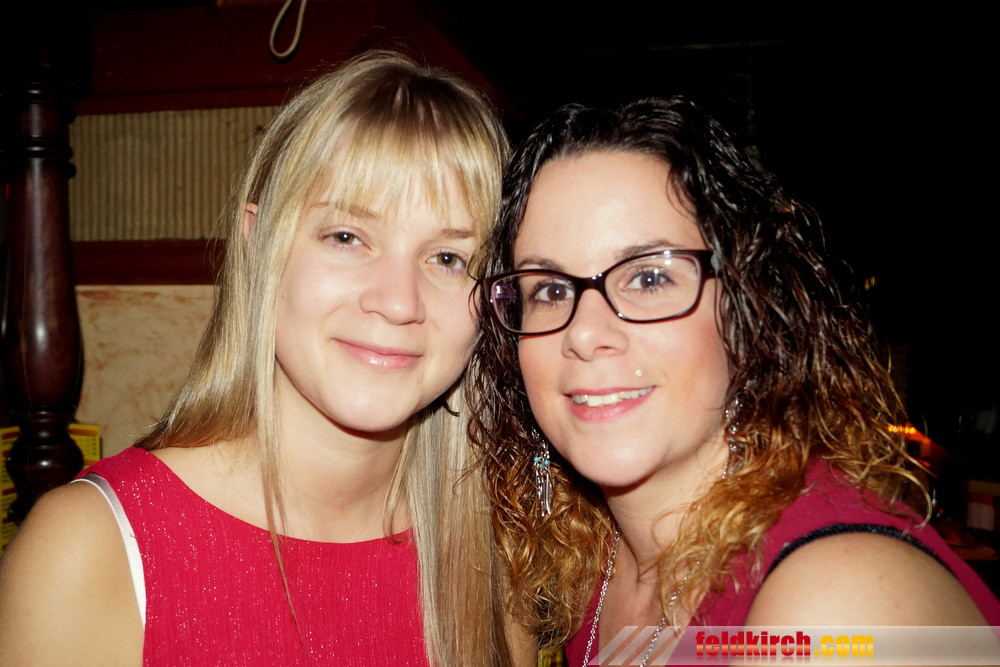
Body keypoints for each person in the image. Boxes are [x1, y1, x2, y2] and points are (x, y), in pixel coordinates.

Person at [0, 51, 518, 664]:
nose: (399, 301)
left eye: (448, 258)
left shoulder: (499, 551)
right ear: (257, 245)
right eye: (347, 237)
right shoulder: (87, 549)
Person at [470, 97, 1000, 663]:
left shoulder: (835, 605)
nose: (584, 332)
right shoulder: (581, 560)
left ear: (746, 311)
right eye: (549, 289)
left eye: (649, 278)